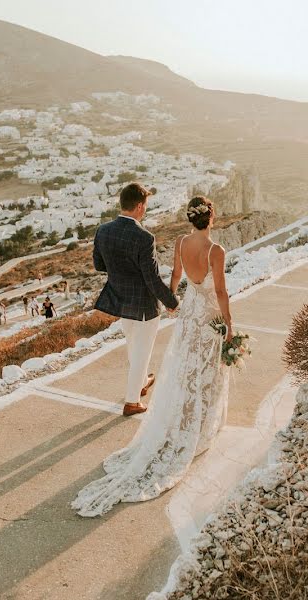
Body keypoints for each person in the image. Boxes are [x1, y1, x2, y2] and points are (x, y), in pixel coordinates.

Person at [72, 194, 231, 518]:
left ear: (191, 217)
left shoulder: (181, 242)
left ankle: (177, 413)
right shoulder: (216, 251)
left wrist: (175, 302)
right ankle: (198, 421)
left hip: (186, 312)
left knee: (183, 365)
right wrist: (229, 322)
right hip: (207, 313)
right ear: (211, 218)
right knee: (206, 366)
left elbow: (173, 277)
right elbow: (220, 290)